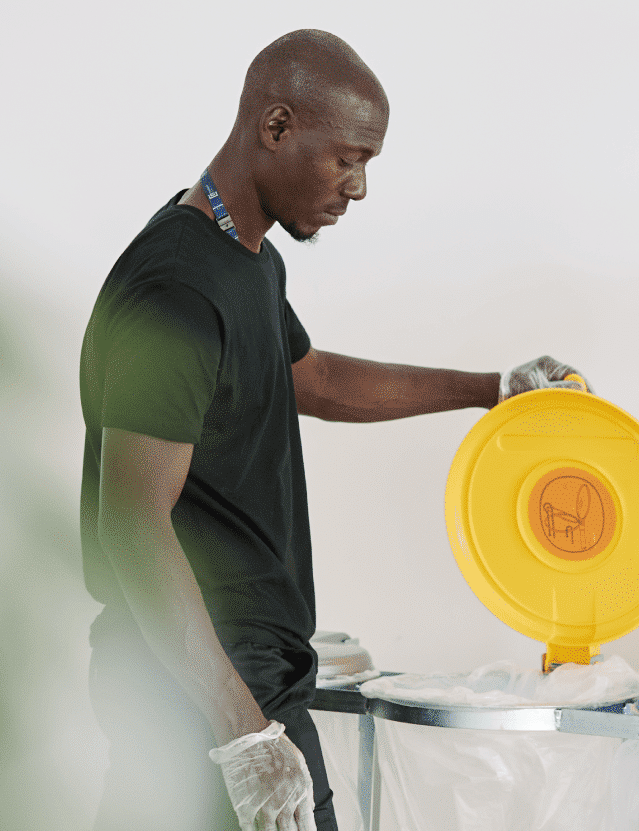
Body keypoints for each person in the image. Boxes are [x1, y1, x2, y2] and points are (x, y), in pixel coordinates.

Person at [79, 29, 585, 831]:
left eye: (367, 165)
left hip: (242, 672)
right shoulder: (176, 288)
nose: (355, 187)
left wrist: (495, 391)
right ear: (276, 127)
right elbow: (133, 523)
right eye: (347, 158)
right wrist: (242, 733)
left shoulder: (244, 257)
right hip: (195, 685)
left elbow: (312, 377)